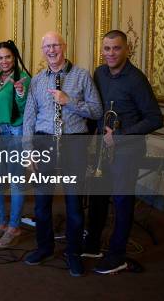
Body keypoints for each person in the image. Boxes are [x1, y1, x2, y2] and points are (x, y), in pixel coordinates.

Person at [23, 31, 102, 277]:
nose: (51, 50)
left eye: (55, 45)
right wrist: (28, 151)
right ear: (42, 50)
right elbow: (29, 117)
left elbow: (97, 111)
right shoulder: (36, 81)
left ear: (64, 47)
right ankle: (44, 247)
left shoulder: (81, 76)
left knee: (74, 203)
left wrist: (69, 101)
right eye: (47, 46)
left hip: (74, 143)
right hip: (44, 142)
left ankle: (74, 253)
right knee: (42, 203)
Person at [84, 30, 162, 274]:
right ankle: (93, 243)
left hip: (127, 150)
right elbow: (96, 109)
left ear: (127, 49)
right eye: (106, 48)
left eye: (116, 48)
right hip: (102, 150)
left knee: (121, 200)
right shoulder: (99, 73)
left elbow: (155, 118)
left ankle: (117, 256)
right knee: (96, 195)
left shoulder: (136, 79)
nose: (110, 53)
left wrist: (120, 135)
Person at [0, 40, 31, 248]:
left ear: (14, 58)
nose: (4, 61)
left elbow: (26, 110)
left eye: (8, 57)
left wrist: (21, 94)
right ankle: (2, 223)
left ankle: (14, 226)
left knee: (15, 182)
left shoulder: (23, 78)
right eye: (0, 58)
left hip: (16, 132)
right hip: (1, 132)